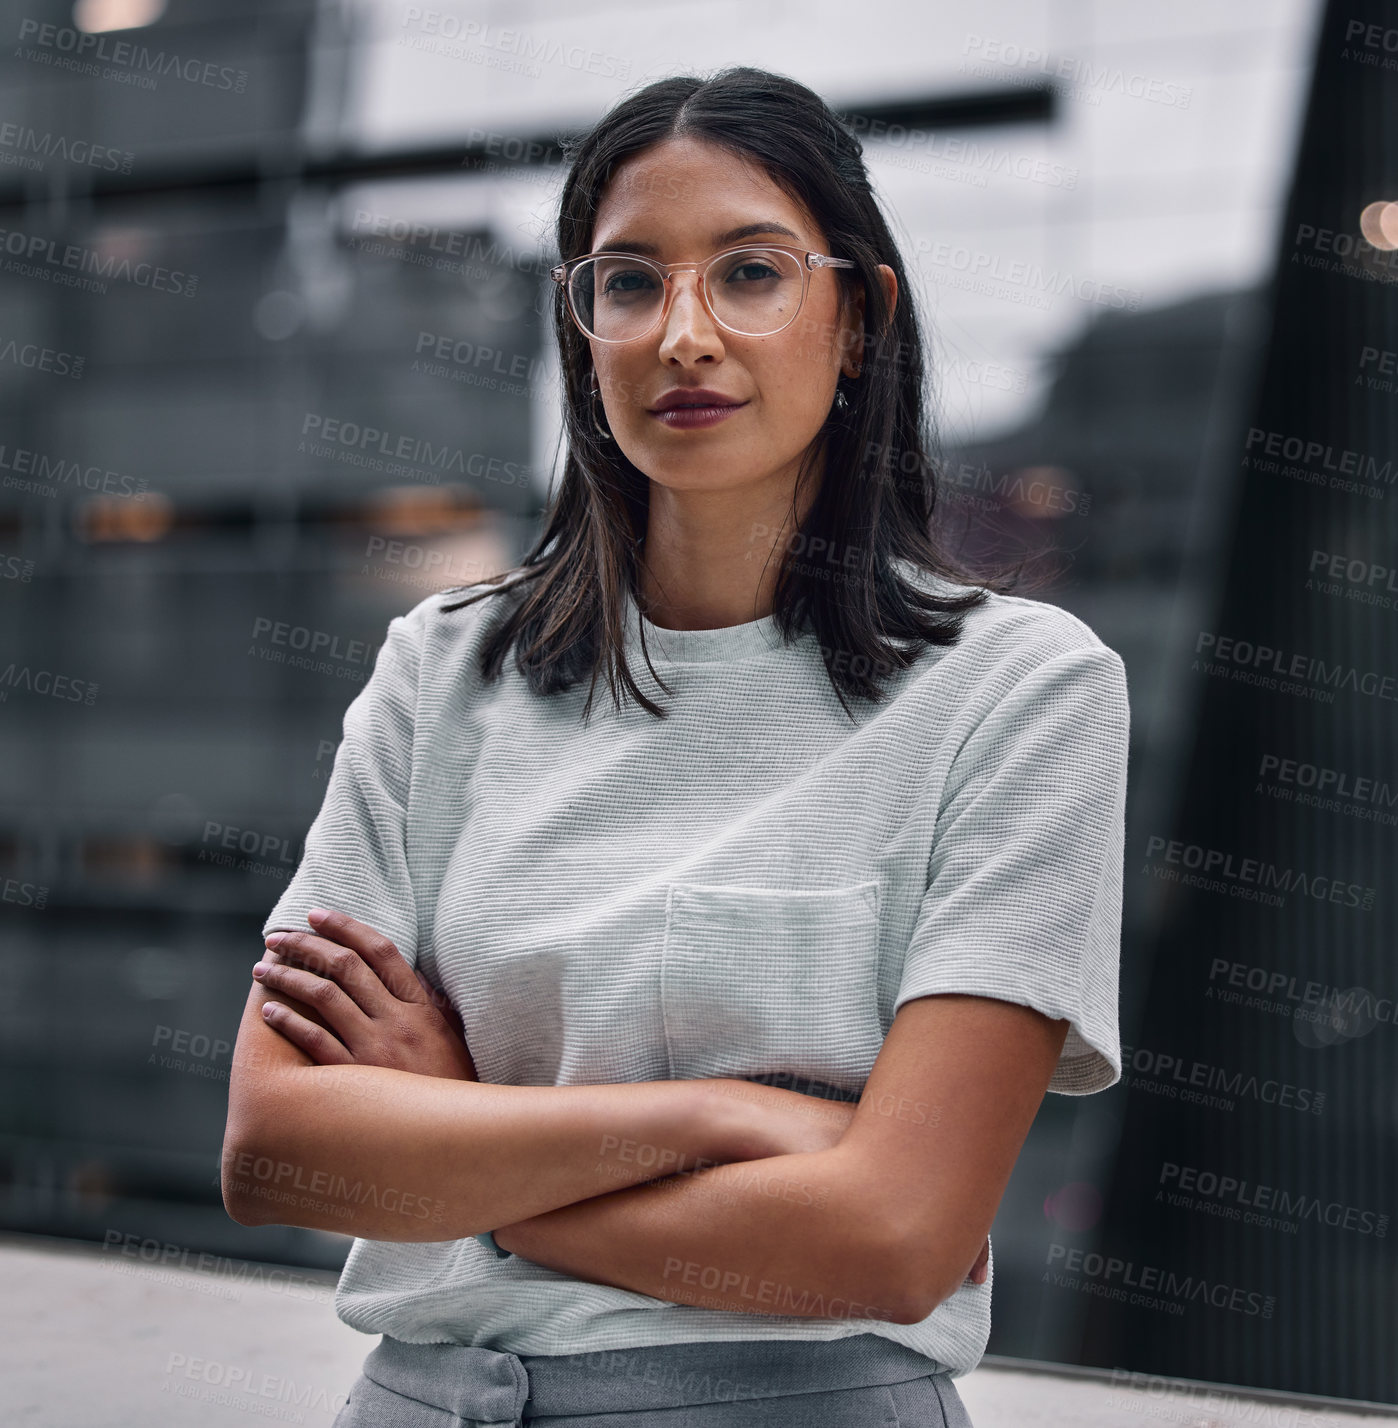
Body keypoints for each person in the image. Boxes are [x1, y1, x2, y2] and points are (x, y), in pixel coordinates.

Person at [221, 65, 1130, 1428]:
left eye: (751, 274)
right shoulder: (443, 667)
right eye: (628, 282)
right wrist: (722, 1115)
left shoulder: (1017, 691)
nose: (682, 333)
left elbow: (890, 1237)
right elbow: (279, 1154)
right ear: (581, 330)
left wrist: (464, 1135)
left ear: (859, 317)